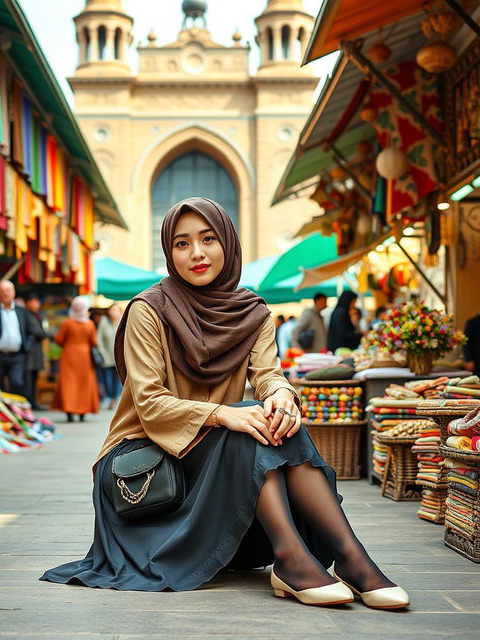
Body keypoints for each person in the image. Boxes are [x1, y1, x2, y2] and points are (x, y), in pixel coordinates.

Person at [40, 197, 408, 610]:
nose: (196, 253)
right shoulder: (148, 310)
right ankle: (291, 558)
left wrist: (283, 395)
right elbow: (149, 403)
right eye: (182, 244)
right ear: (169, 252)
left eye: (208, 239)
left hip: (215, 452)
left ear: (227, 243)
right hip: (146, 461)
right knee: (247, 429)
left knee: (273, 421)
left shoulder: (252, 312)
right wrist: (221, 414)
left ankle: (350, 557)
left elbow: (267, 374)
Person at [53, 296, 100, 422]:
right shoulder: (89, 324)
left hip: (69, 355)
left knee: (69, 383)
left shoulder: (68, 323)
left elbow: (58, 339)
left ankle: (69, 411)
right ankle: (82, 412)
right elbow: (94, 342)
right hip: (85, 357)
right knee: (84, 384)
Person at [97, 304, 123, 410]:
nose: (113, 312)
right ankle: (110, 397)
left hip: (119, 357)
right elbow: (99, 338)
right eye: (111, 309)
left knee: (118, 379)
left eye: (115, 310)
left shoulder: (123, 321)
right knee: (107, 380)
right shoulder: (104, 322)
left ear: (119, 311)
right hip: (106, 356)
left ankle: (114, 398)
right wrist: (102, 352)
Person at [24, 293, 47, 410]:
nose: (36, 304)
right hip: (30, 353)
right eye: (34, 301)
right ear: (28, 303)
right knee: (28, 380)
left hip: (35, 352)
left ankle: (33, 402)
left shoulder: (35, 315)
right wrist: (44, 334)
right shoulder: (27, 315)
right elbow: (37, 332)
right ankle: (29, 402)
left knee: (34, 379)